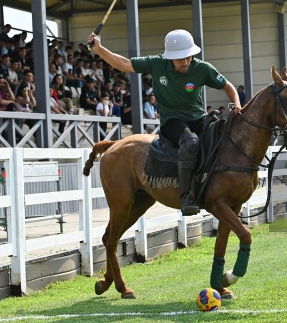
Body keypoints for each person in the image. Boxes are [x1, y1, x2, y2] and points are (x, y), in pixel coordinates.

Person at [88, 29, 241, 216]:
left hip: (198, 118)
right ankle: (186, 196)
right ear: (170, 57)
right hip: (172, 121)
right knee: (191, 142)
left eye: (188, 57)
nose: (185, 62)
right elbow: (124, 64)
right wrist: (99, 48)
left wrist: (237, 103)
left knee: (222, 135)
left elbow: (227, 85)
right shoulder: (156, 63)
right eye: (180, 59)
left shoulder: (202, 68)